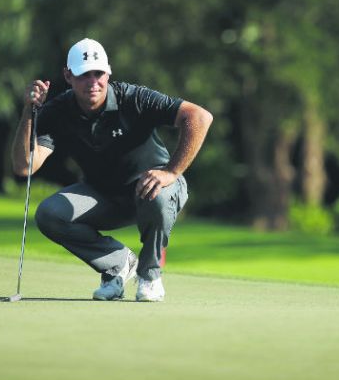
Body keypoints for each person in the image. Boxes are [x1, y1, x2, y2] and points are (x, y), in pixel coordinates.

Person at [11, 38, 213, 302]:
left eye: (98, 73)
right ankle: (117, 263)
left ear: (108, 73)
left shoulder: (134, 98)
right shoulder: (58, 111)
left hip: (155, 188)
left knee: (157, 194)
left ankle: (150, 275)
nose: (93, 82)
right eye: (84, 75)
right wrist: (29, 111)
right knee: (50, 214)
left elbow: (199, 117)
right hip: (104, 196)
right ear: (68, 76)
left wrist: (171, 172)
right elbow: (24, 166)